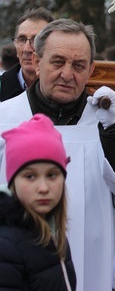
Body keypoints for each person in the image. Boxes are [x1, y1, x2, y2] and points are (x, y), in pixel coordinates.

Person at [0, 19, 115, 291]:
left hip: (90, 266)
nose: (68, 74)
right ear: (36, 61)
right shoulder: (5, 117)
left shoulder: (109, 120)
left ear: (91, 69)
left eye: (79, 65)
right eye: (58, 62)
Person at [0, 113, 76, 290]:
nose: (43, 188)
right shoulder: (6, 246)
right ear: (13, 182)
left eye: (52, 175)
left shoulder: (54, 234)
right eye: (30, 176)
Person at [0, 7, 54, 101]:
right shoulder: (2, 86)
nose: (26, 49)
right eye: (21, 39)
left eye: (36, 40)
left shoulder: (67, 89)